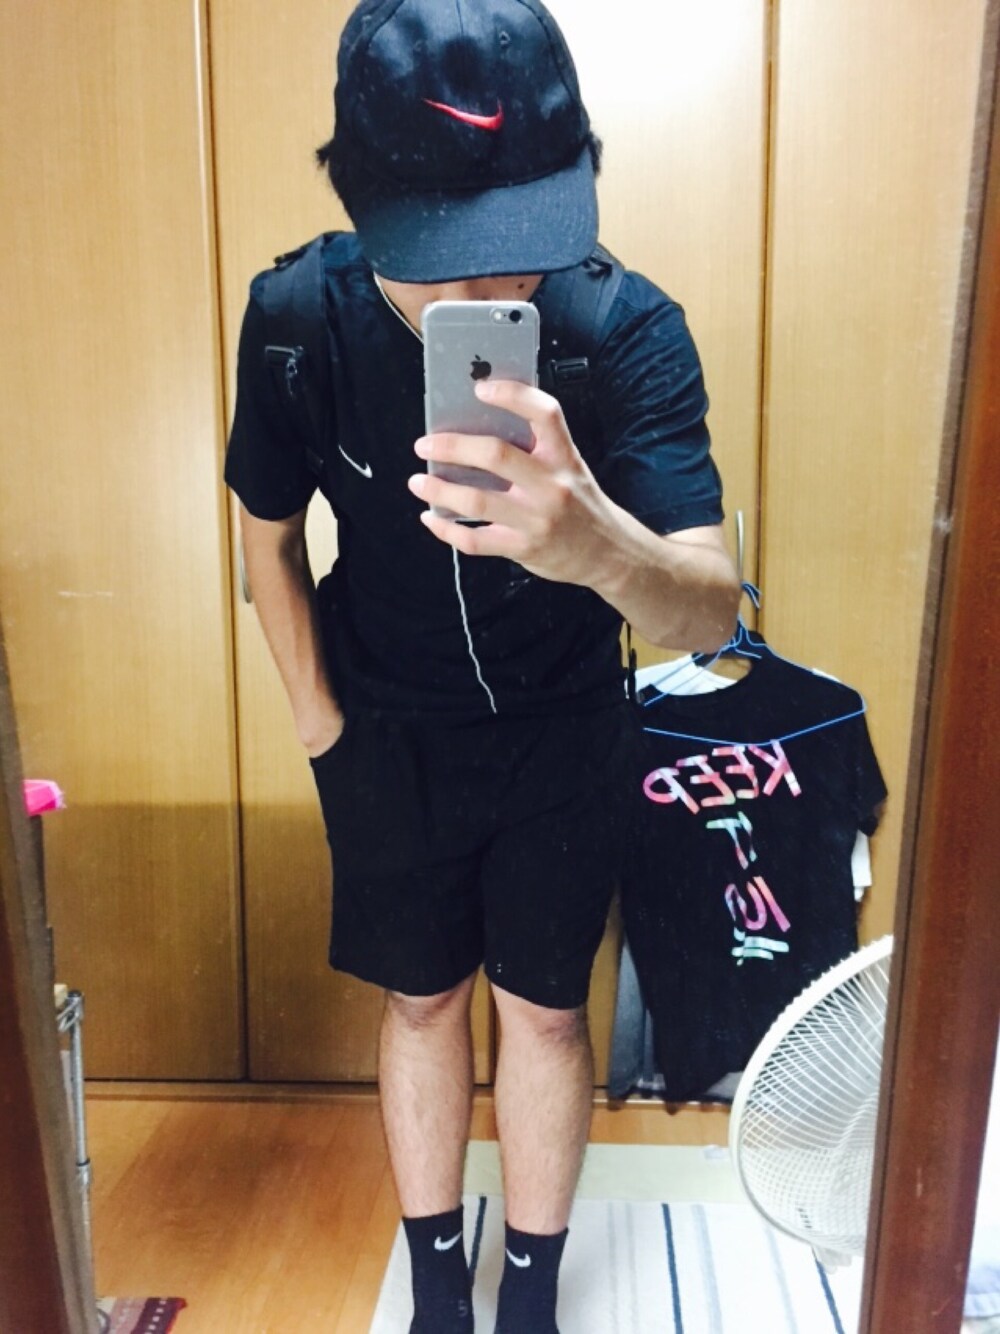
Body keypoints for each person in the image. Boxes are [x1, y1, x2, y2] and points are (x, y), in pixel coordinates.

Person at [224, 2, 740, 1329]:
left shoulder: (624, 328)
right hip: (383, 726)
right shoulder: (295, 321)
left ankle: (532, 1296)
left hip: (565, 728)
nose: (478, 296)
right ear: (364, 199)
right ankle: (440, 1293)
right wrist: (324, 731)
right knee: (420, 1000)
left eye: (513, 248)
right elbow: (265, 538)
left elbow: (709, 612)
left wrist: (593, 542)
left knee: (548, 1014)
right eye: (434, 255)